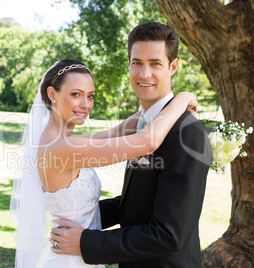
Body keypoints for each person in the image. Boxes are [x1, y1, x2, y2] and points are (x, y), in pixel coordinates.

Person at [49, 22, 213, 267]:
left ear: (173, 67)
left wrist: (87, 242)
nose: (144, 74)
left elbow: (168, 234)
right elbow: (137, 201)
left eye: (155, 63)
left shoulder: (186, 133)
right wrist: (79, 217)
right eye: (137, 63)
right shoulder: (145, 124)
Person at [10, 58, 199, 268]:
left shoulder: (60, 141)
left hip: (78, 253)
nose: (85, 104)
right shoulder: (61, 149)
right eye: (76, 94)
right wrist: (182, 98)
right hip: (70, 260)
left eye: (90, 96)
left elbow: (118, 132)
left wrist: (157, 106)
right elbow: (147, 141)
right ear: (53, 95)